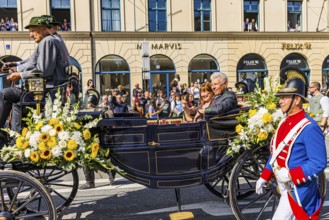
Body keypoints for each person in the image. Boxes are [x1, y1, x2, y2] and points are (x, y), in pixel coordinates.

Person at [255, 67, 327, 219]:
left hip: (299, 188)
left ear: (297, 99)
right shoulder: (283, 122)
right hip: (283, 186)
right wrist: (265, 175)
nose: (280, 101)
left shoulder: (310, 127)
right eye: (280, 97)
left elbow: (318, 163)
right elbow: (276, 154)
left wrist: (290, 174)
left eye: (285, 97)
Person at [0, 16, 69, 134]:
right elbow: (32, 61)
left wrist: (20, 75)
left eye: (33, 31)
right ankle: (15, 136)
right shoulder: (53, 41)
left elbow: (43, 71)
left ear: (43, 29)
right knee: (16, 102)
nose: (31, 35)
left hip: (45, 90)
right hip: (49, 89)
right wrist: (15, 67)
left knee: (4, 94)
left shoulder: (48, 41)